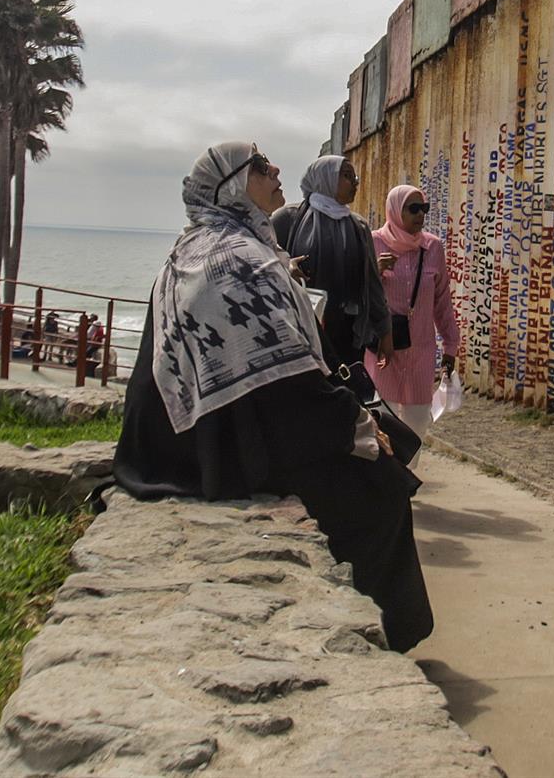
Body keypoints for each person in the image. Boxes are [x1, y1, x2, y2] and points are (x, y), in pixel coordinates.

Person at [112, 141, 433, 651]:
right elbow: (279, 379)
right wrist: (352, 428)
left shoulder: (206, 244)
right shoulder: (236, 258)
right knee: (380, 489)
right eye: (260, 166)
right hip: (219, 443)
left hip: (207, 428)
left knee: (388, 441)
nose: (276, 168)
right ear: (233, 187)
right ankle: (387, 633)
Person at [271, 156, 393, 394]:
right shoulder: (289, 219)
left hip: (347, 332)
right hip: (303, 330)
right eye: (346, 175)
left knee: (346, 394)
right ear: (325, 178)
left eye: (354, 176)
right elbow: (262, 262)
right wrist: (286, 266)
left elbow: (371, 283)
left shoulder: (357, 226)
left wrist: (385, 331)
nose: (354, 182)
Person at [366, 184, 461, 440]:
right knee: (381, 415)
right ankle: (388, 476)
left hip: (420, 348)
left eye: (424, 209)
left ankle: (405, 471)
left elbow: (442, 302)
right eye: (413, 208)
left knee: (418, 420)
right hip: (385, 347)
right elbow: (357, 293)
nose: (420, 215)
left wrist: (451, 345)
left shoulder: (433, 248)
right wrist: (373, 272)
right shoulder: (373, 242)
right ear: (396, 210)